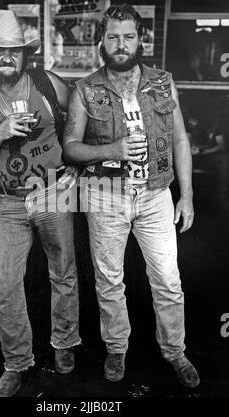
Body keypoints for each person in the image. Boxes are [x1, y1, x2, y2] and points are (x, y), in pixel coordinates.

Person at [63, 4, 200, 388]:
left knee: (168, 280)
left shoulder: (162, 82)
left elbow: (179, 140)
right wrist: (111, 150)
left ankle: (175, 351)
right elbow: (70, 147)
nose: (120, 45)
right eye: (112, 37)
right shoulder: (85, 89)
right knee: (109, 280)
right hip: (105, 195)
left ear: (141, 40)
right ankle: (117, 349)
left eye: (127, 36)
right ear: (101, 42)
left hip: (156, 194)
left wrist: (185, 196)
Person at [0, 10, 81, 397]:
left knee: (62, 273)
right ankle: (17, 361)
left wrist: (80, 165)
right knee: (4, 283)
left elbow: (86, 113)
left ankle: (65, 345)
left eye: (14, 50)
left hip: (53, 192)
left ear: (25, 55)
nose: (7, 57)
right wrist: (0, 131)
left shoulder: (48, 83)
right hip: (9, 205)